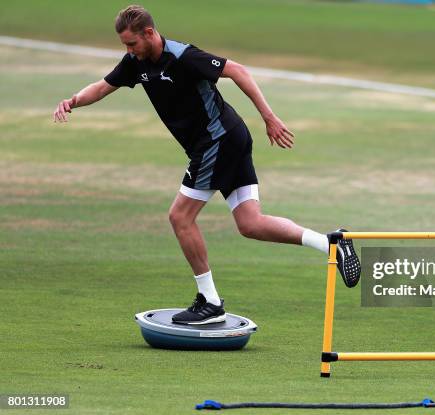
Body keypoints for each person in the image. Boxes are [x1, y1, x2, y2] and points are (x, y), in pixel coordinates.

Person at [53, 5, 360, 325]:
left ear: (149, 33)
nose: (128, 51)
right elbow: (103, 86)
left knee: (179, 217)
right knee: (250, 224)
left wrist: (269, 117)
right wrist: (73, 101)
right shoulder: (137, 62)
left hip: (218, 142)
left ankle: (210, 302)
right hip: (228, 139)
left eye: (131, 44)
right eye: (124, 46)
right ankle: (332, 243)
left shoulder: (183, 56)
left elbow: (238, 70)